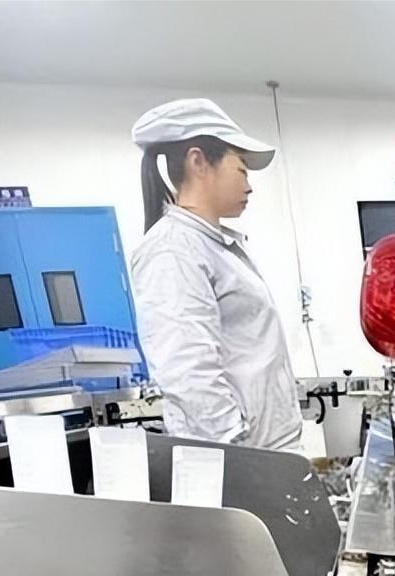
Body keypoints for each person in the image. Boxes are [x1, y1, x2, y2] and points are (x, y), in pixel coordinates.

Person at [129, 98, 302, 450]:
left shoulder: (210, 246)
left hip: (265, 455)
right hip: (243, 460)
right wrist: (240, 456)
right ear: (198, 162)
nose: (249, 185)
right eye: (242, 169)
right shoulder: (172, 250)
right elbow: (188, 371)